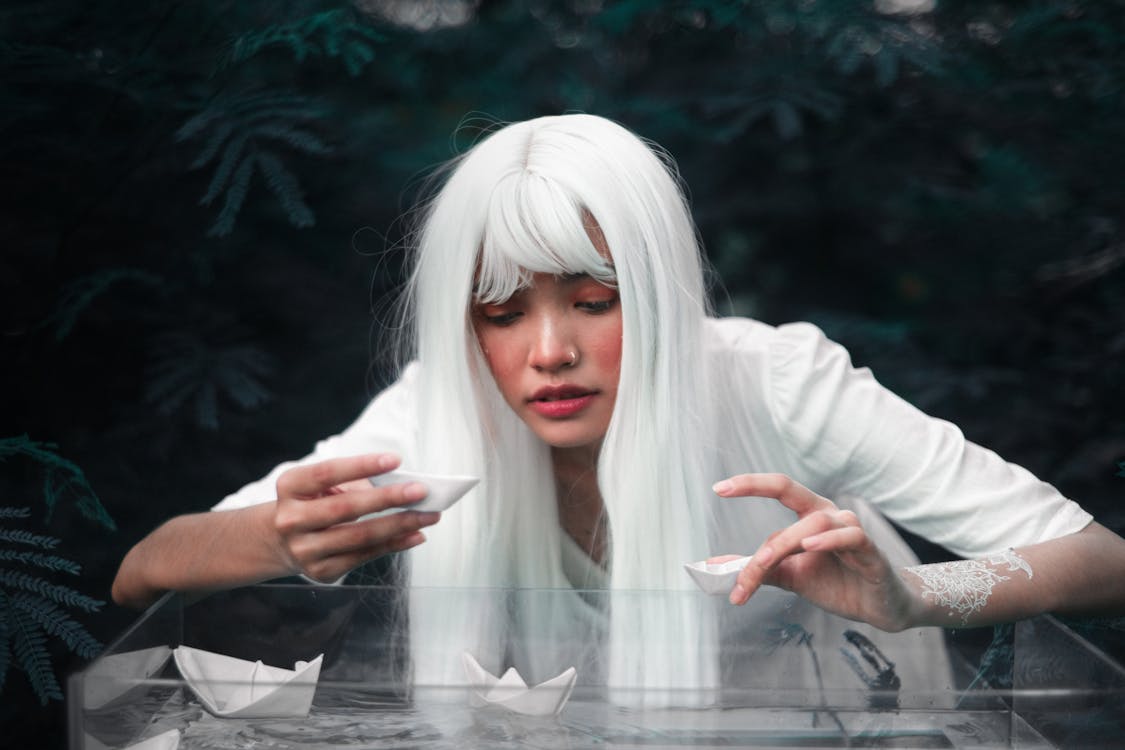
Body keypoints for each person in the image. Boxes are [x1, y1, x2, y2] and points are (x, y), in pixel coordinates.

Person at [113, 114, 1125, 700]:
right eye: (501, 313)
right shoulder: (435, 412)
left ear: (661, 287)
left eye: (595, 303)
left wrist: (920, 598)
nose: (549, 349)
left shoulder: (775, 381)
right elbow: (144, 570)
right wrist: (284, 536)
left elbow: (1101, 560)